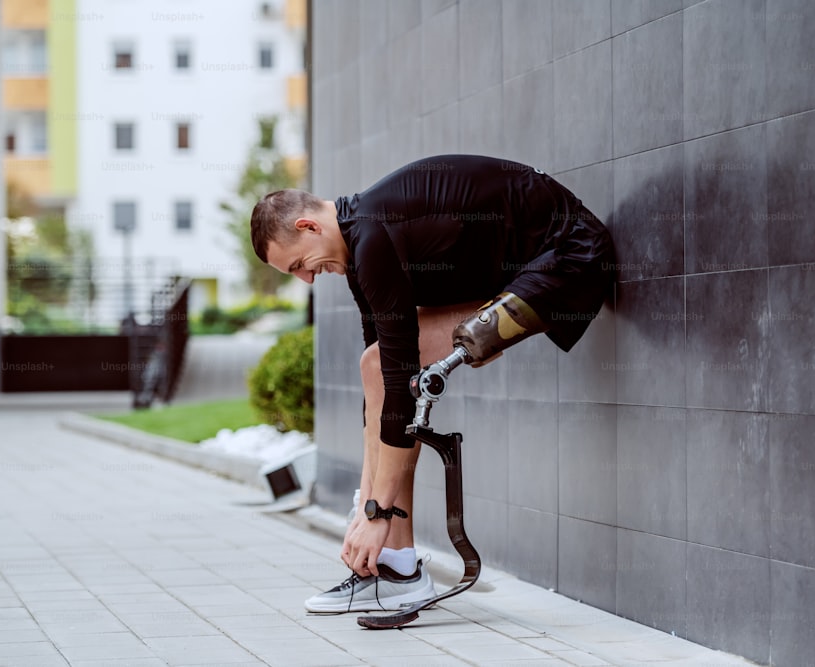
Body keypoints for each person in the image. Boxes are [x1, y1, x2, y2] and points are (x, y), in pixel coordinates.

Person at [251, 154, 615, 613]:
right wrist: (365, 503)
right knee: (375, 367)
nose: (307, 278)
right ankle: (395, 565)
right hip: (524, 270)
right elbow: (383, 388)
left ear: (308, 226)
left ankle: (398, 565)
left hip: (570, 257)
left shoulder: (372, 239)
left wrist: (377, 513)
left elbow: (401, 385)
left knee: (389, 373)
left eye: (300, 264)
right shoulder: (360, 246)